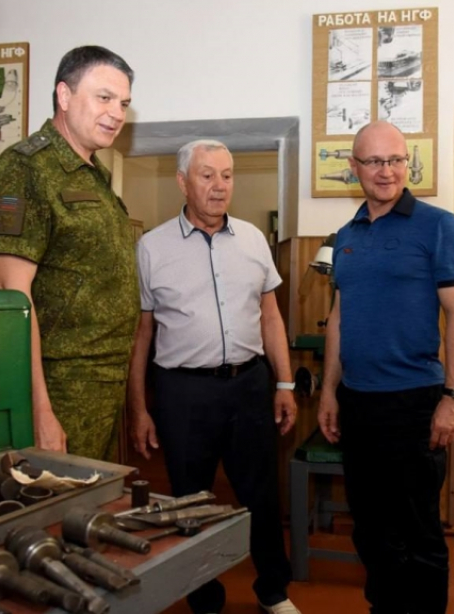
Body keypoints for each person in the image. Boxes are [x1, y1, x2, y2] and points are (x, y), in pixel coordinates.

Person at [128, 139, 301, 614]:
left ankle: (273, 591)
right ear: (183, 182)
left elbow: (271, 317)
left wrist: (284, 384)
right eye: (207, 175)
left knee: (261, 494)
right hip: (182, 392)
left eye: (226, 175)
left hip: (249, 385)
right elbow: (143, 332)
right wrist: (140, 408)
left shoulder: (252, 240)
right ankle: (204, 597)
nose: (219, 186)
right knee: (189, 500)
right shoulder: (151, 247)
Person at [317, 121, 454, 614]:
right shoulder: (344, 236)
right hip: (359, 404)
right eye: (374, 162)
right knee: (371, 529)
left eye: (396, 161)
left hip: (415, 403)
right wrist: (328, 393)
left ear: (408, 164)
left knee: (418, 533)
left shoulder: (437, 224)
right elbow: (340, 318)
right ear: (354, 168)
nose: (387, 172)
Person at [0, 46, 139, 459]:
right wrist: (40, 408)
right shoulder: (26, 168)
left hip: (104, 381)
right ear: (64, 96)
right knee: (56, 508)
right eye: (104, 97)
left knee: (92, 507)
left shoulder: (95, 174)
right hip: (60, 384)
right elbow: (10, 297)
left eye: (123, 103)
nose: (117, 113)